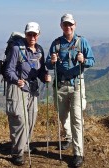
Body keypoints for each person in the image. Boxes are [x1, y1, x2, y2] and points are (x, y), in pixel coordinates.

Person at [45, 13, 95, 167]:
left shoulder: (82, 42)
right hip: (60, 85)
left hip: (76, 85)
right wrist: (51, 61)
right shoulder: (56, 44)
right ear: (61, 26)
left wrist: (84, 60)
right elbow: (47, 63)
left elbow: (92, 61)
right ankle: (68, 138)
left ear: (75, 25)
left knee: (77, 119)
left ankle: (78, 153)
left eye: (70, 24)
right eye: (65, 24)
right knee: (62, 115)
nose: (68, 27)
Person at [4, 22, 51, 166]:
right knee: (20, 120)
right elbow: (8, 70)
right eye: (29, 34)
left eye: (34, 34)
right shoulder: (17, 49)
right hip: (18, 87)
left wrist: (45, 77)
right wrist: (16, 80)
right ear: (25, 34)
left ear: (39, 35)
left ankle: (25, 145)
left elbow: (41, 70)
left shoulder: (39, 51)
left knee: (31, 118)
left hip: (32, 88)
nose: (32, 37)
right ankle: (17, 153)